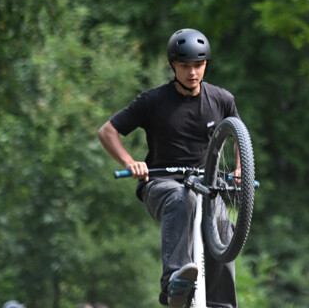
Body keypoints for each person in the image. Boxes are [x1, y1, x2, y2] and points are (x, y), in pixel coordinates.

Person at [98, 28, 239, 308]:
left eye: (198, 65)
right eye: (185, 66)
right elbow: (108, 131)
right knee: (181, 198)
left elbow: (239, 136)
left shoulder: (222, 99)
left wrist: (239, 168)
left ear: (206, 64)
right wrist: (130, 162)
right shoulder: (153, 100)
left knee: (223, 223)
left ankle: (221, 304)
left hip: (207, 184)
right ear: (173, 65)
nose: (192, 72)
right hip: (162, 183)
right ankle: (174, 283)